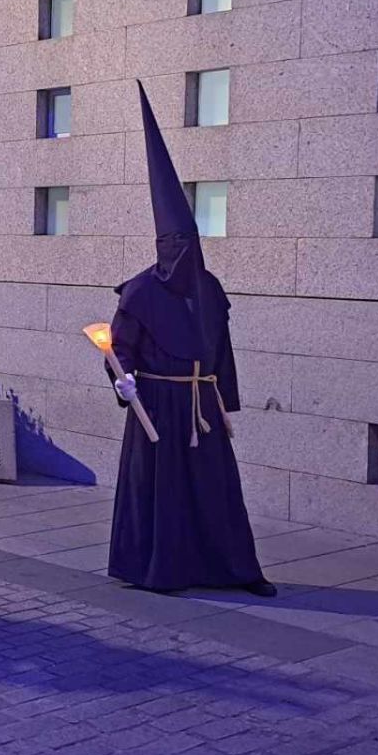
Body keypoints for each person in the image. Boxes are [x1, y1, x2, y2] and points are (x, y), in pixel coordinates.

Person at [102, 83, 274, 599]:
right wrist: (124, 384)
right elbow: (120, 347)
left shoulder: (210, 288)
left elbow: (221, 350)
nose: (180, 252)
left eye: (187, 243)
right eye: (171, 244)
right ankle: (160, 570)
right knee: (163, 491)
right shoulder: (139, 291)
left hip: (201, 403)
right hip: (157, 404)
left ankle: (238, 568)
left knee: (218, 491)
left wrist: (226, 402)